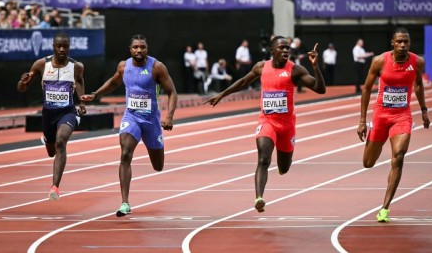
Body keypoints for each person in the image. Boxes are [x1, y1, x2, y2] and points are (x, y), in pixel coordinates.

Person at [204, 36, 326, 213]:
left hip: (287, 125)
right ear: (272, 50)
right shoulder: (261, 67)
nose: (285, 51)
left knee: (284, 167)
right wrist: (222, 94)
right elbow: (244, 82)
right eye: (282, 47)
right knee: (263, 159)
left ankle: (282, 167)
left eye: (288, 48)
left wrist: (315, 66)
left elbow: (320, 89)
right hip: (267, 121)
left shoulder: (295, 70)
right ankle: (259, 197)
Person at [80, 34, 178, 217]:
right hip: (131, 116)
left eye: (142, 47)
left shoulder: (157, 67)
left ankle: (155, 145)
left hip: (151, 120)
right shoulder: (124, 66)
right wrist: (95, 95)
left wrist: (169, 117)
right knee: (125, 153)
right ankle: (125, 203)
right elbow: (113, 82)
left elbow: (172, 92)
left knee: (158, 166)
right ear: (130, 49)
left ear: (147, 49)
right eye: (135, 47)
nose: (139, 50)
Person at [357, 27, 430, 223]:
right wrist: (363, 120)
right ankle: (374, 144)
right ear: (392, 43)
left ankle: (385, 207)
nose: (403, 45)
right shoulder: (380, 61)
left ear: (410, 43)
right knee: (368, 163)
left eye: (406, 42)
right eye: (399, 42)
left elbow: (418, 85)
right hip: (381, 115)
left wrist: (423, 110)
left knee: (398, 156)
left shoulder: (417, 62)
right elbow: (366, 90)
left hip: (402, 116)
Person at [16, 32, 87, 200]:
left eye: (65, 46)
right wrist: (22, 82)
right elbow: (21, 88)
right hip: (48, 114)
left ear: (69, 47)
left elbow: (79, 81)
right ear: (53, 47)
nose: (62, 49)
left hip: (67, 112)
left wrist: (82, 103)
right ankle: (47, 139)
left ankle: (55, 187)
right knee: (51, 151)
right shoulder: (41, 64)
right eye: (58, 46)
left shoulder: (76, 66)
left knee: (61, 141)